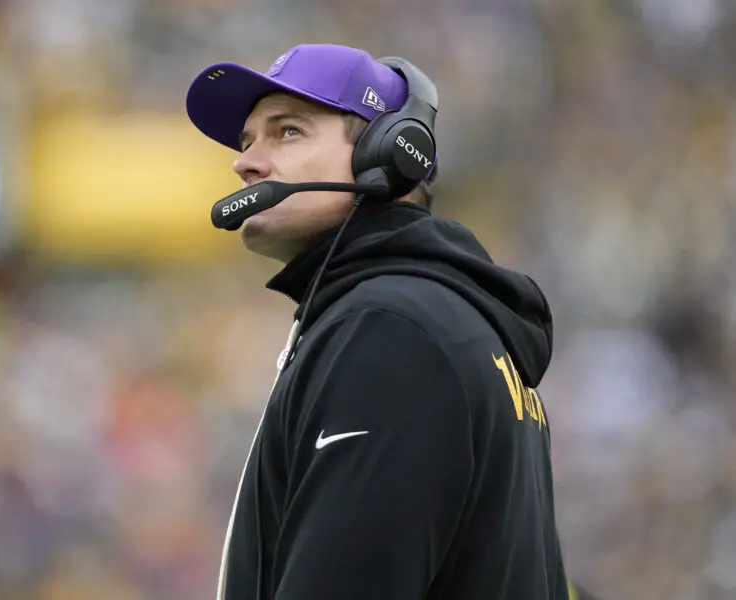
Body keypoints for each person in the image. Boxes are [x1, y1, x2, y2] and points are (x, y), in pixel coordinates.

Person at [186, 43, 571, 600]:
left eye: (287, 131)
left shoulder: (391, 332)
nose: (244, 161)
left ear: (390, 152)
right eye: (247, 141)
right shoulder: (439, 320)